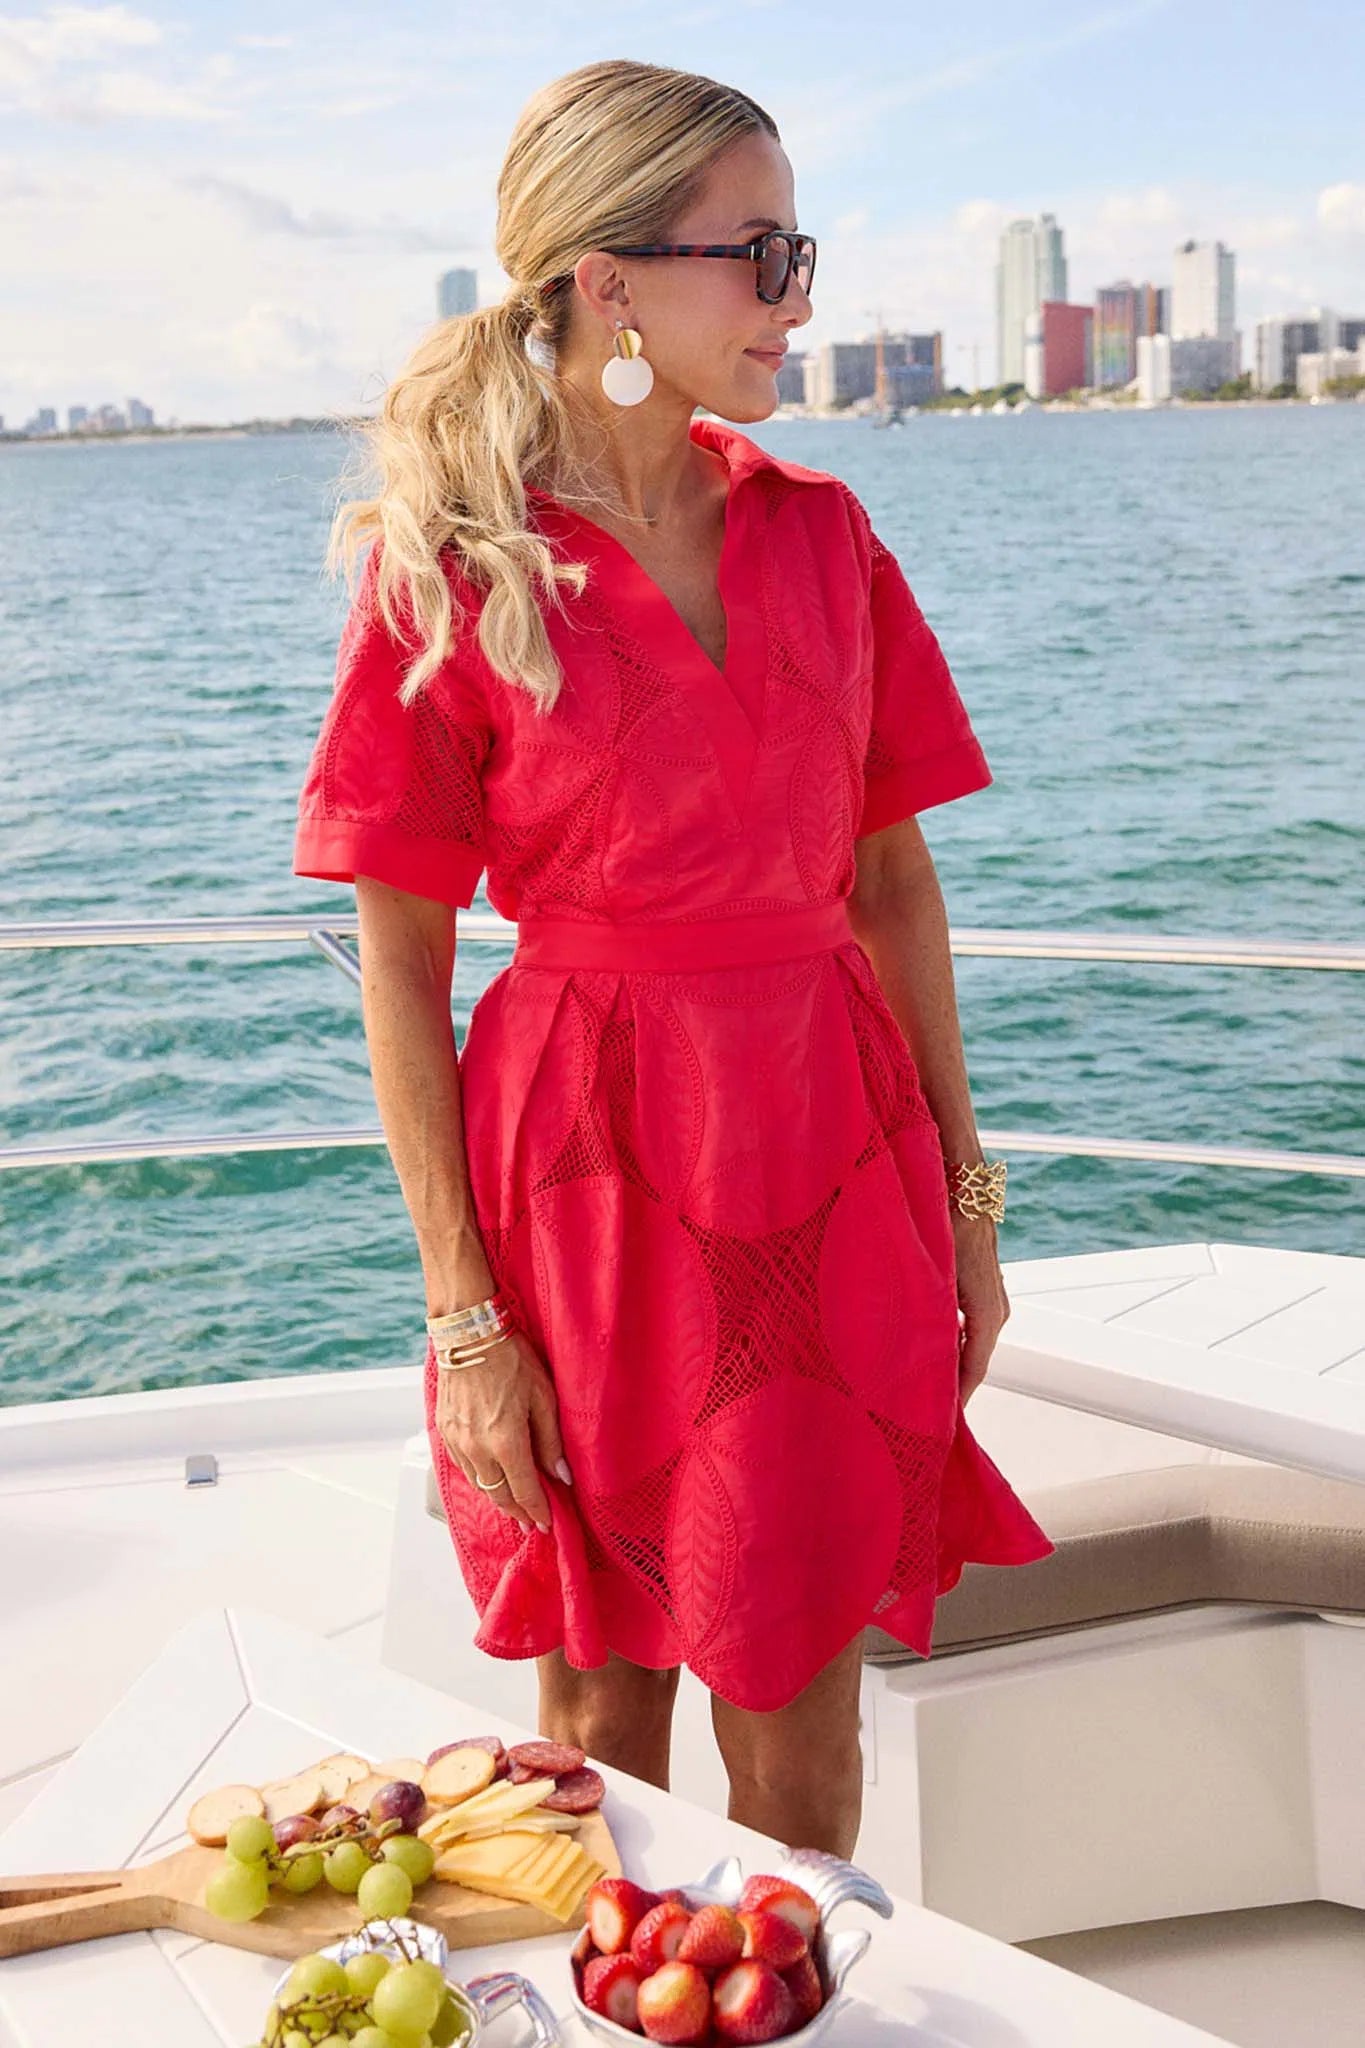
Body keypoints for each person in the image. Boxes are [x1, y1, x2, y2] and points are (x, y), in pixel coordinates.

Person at [294, 58, 1052, 1861]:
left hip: (828, 1146)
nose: (800, 299)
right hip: (587, 1184)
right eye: (760, 254)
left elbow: (895, 885)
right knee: (595, 1728)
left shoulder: (820, 532)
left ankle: (795, 1990)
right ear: (608, 280)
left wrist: (968, 1186)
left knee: (808, 1736)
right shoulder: (456, 564)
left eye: (804, 249)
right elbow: (396, 961)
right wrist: (462, 1313)